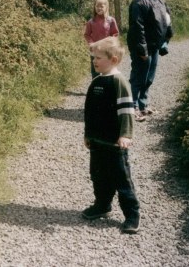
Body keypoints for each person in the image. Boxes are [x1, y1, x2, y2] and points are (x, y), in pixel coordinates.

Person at [82, 36, 140, 234]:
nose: (94, 61)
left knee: (121, 179)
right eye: (93, 58)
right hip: (97, 142)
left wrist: (126, 134)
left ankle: (132, 215)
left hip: (115, 144)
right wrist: (88, 134)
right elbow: (89, 112)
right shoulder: (96, 82)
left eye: (98, 57)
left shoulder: (119, 82)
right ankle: (102, 205)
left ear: (113, 59)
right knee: (98, 176)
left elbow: (126, 110)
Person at [126, 0, 173, 122]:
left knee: (149, 78)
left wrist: (167, 38)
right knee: (139, 76)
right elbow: (137, 28)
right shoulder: (139, 2)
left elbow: (167, 19)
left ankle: (143, 104)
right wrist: (142, 49)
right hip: (142, 46)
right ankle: (132, 106)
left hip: (155, 45)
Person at [83, 0, 119, 78]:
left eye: (101, 6)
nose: (99, 8)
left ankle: (107, 87)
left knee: (108, 69)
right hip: (95, 49)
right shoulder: (91, 22)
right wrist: (91, 43)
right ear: (94, 7)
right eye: (97, 6)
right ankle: (96, 87)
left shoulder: (111, 20)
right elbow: (87, 34)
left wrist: (109, 43)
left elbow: (115, 34)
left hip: (107, 50)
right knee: (95, 70)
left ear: (106, 7)